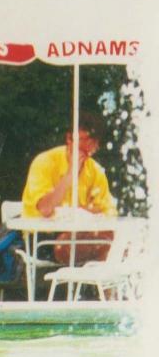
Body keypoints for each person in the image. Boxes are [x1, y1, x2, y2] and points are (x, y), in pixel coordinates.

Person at [21, 111, 116, 264]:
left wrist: (81, 210)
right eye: (81, 141)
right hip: (43, 238)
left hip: (85, 235)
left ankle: (100, 284)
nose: (84, 147)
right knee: (104, 244)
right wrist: (70, 175)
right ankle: (98, 283)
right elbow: (45, 208)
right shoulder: (45, 161)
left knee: (117, 241)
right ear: (69, 139)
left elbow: (107, 213)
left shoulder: (95, 171)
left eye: (91, 142)